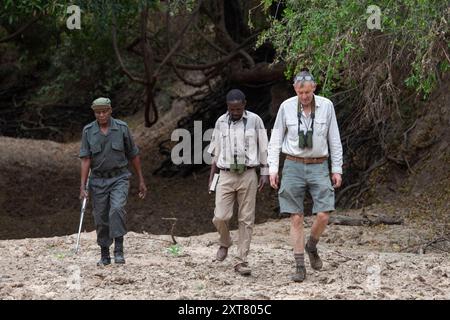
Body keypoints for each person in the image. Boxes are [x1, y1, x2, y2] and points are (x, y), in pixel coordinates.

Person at [267, 69, 343, 282]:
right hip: (293, 164)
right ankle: (299, 265)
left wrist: (337, 169)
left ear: (314, 88)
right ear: (295, 90)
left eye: (308, 93)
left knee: (323, 214)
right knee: (296, 216)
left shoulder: (326, 106)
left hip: (319, 164)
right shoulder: (286, 107)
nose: (304, 97)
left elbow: (334, 139)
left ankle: (312, 246)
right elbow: (275, 139)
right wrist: (273, 168)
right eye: (301, 93)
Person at [207, 89, 269, 276]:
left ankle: (241, 260)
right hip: (226, 175)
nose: (235, 112)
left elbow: (264, 147)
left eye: (239, 109)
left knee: (246, 219)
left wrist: (265, 172)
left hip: (248, 174)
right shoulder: (220, 122)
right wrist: (212, 177)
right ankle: (225, 242)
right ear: (227, 107)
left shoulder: (255, 120)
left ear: (244, 104)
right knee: (220, 216)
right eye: (232, 109)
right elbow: (216, 153)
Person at [79, 97, 147, 266]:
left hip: (119, 178)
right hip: (98, 180)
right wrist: (82, 186)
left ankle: (118, 249)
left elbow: (133, 154)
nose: (101, 115)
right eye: (97, 112)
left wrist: (141, 180)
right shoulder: (88, 131)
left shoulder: (122, 128)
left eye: (104, 112)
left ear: (110, 111)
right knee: (101, 218)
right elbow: (86, 159)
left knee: (116, 210)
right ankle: (104, 253)